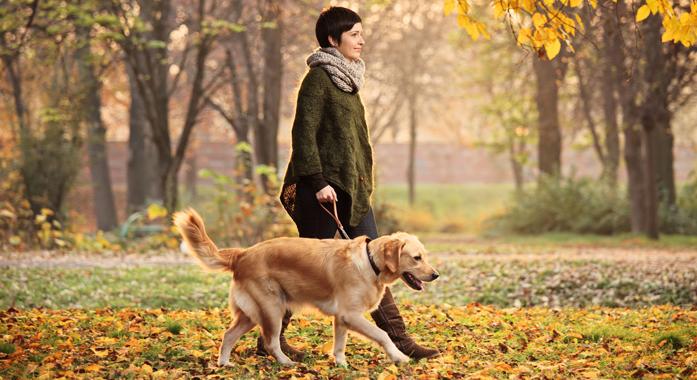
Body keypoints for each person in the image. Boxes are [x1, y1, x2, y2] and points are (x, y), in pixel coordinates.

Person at [255, 6, 439, 361]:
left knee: (381, 263)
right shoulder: (318, 80)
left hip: (352, 192)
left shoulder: (350, 81)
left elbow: (353, 143)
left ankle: (398, 339)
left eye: (360, 33)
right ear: (331, 39)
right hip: (319, 192)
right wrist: (319, 181)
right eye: (354, 34)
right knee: (302, 267)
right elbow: (303, 136)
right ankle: (269, 342)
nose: (361, 40)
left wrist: (362, 183)